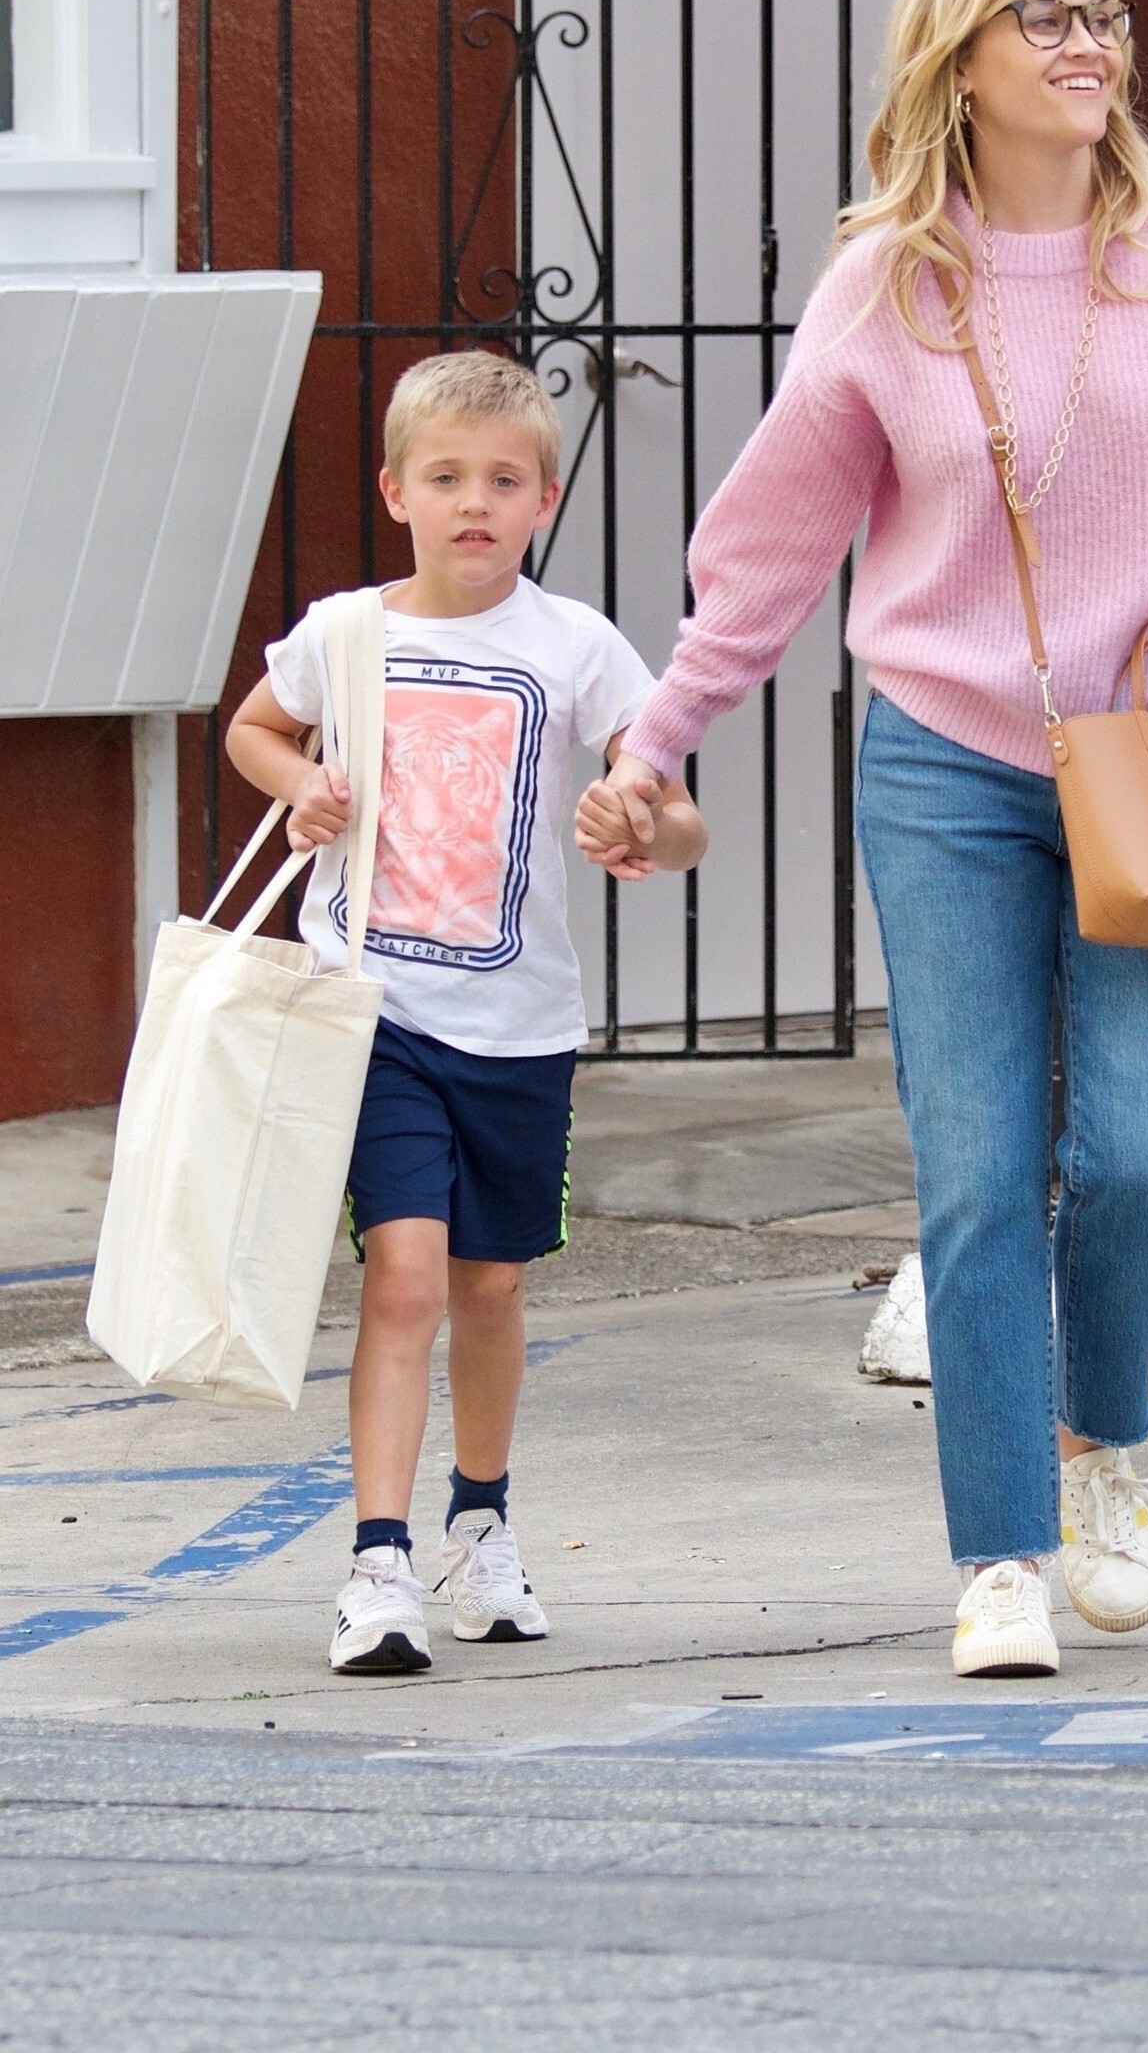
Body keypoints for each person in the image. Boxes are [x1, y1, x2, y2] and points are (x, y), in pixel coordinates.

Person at [595, 0, 1148, 1680]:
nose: (1089, 46)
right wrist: (661, 735)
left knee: (1128, 1162)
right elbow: (773, 542)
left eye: (1104, 16)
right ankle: (1002, 1554)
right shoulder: (889, 284)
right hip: (946, 767)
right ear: (959, 57)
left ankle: (1103, 1444)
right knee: (973, 1177)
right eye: (1045, 20)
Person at [227, 349, 707, 1673]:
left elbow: (680, 819)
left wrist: (638, 823)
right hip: (370, 1012)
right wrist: (302, 787)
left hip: (521, 1029)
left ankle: (480, 1528)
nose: (474, 503)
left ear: (544, 499)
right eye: (446, 478)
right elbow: (255, 730)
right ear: (396, 492)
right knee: (405, 1279)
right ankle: (377, 1563)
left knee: (490, 1288)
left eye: (504, 481)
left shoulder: (576, 648)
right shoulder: (345, 633)